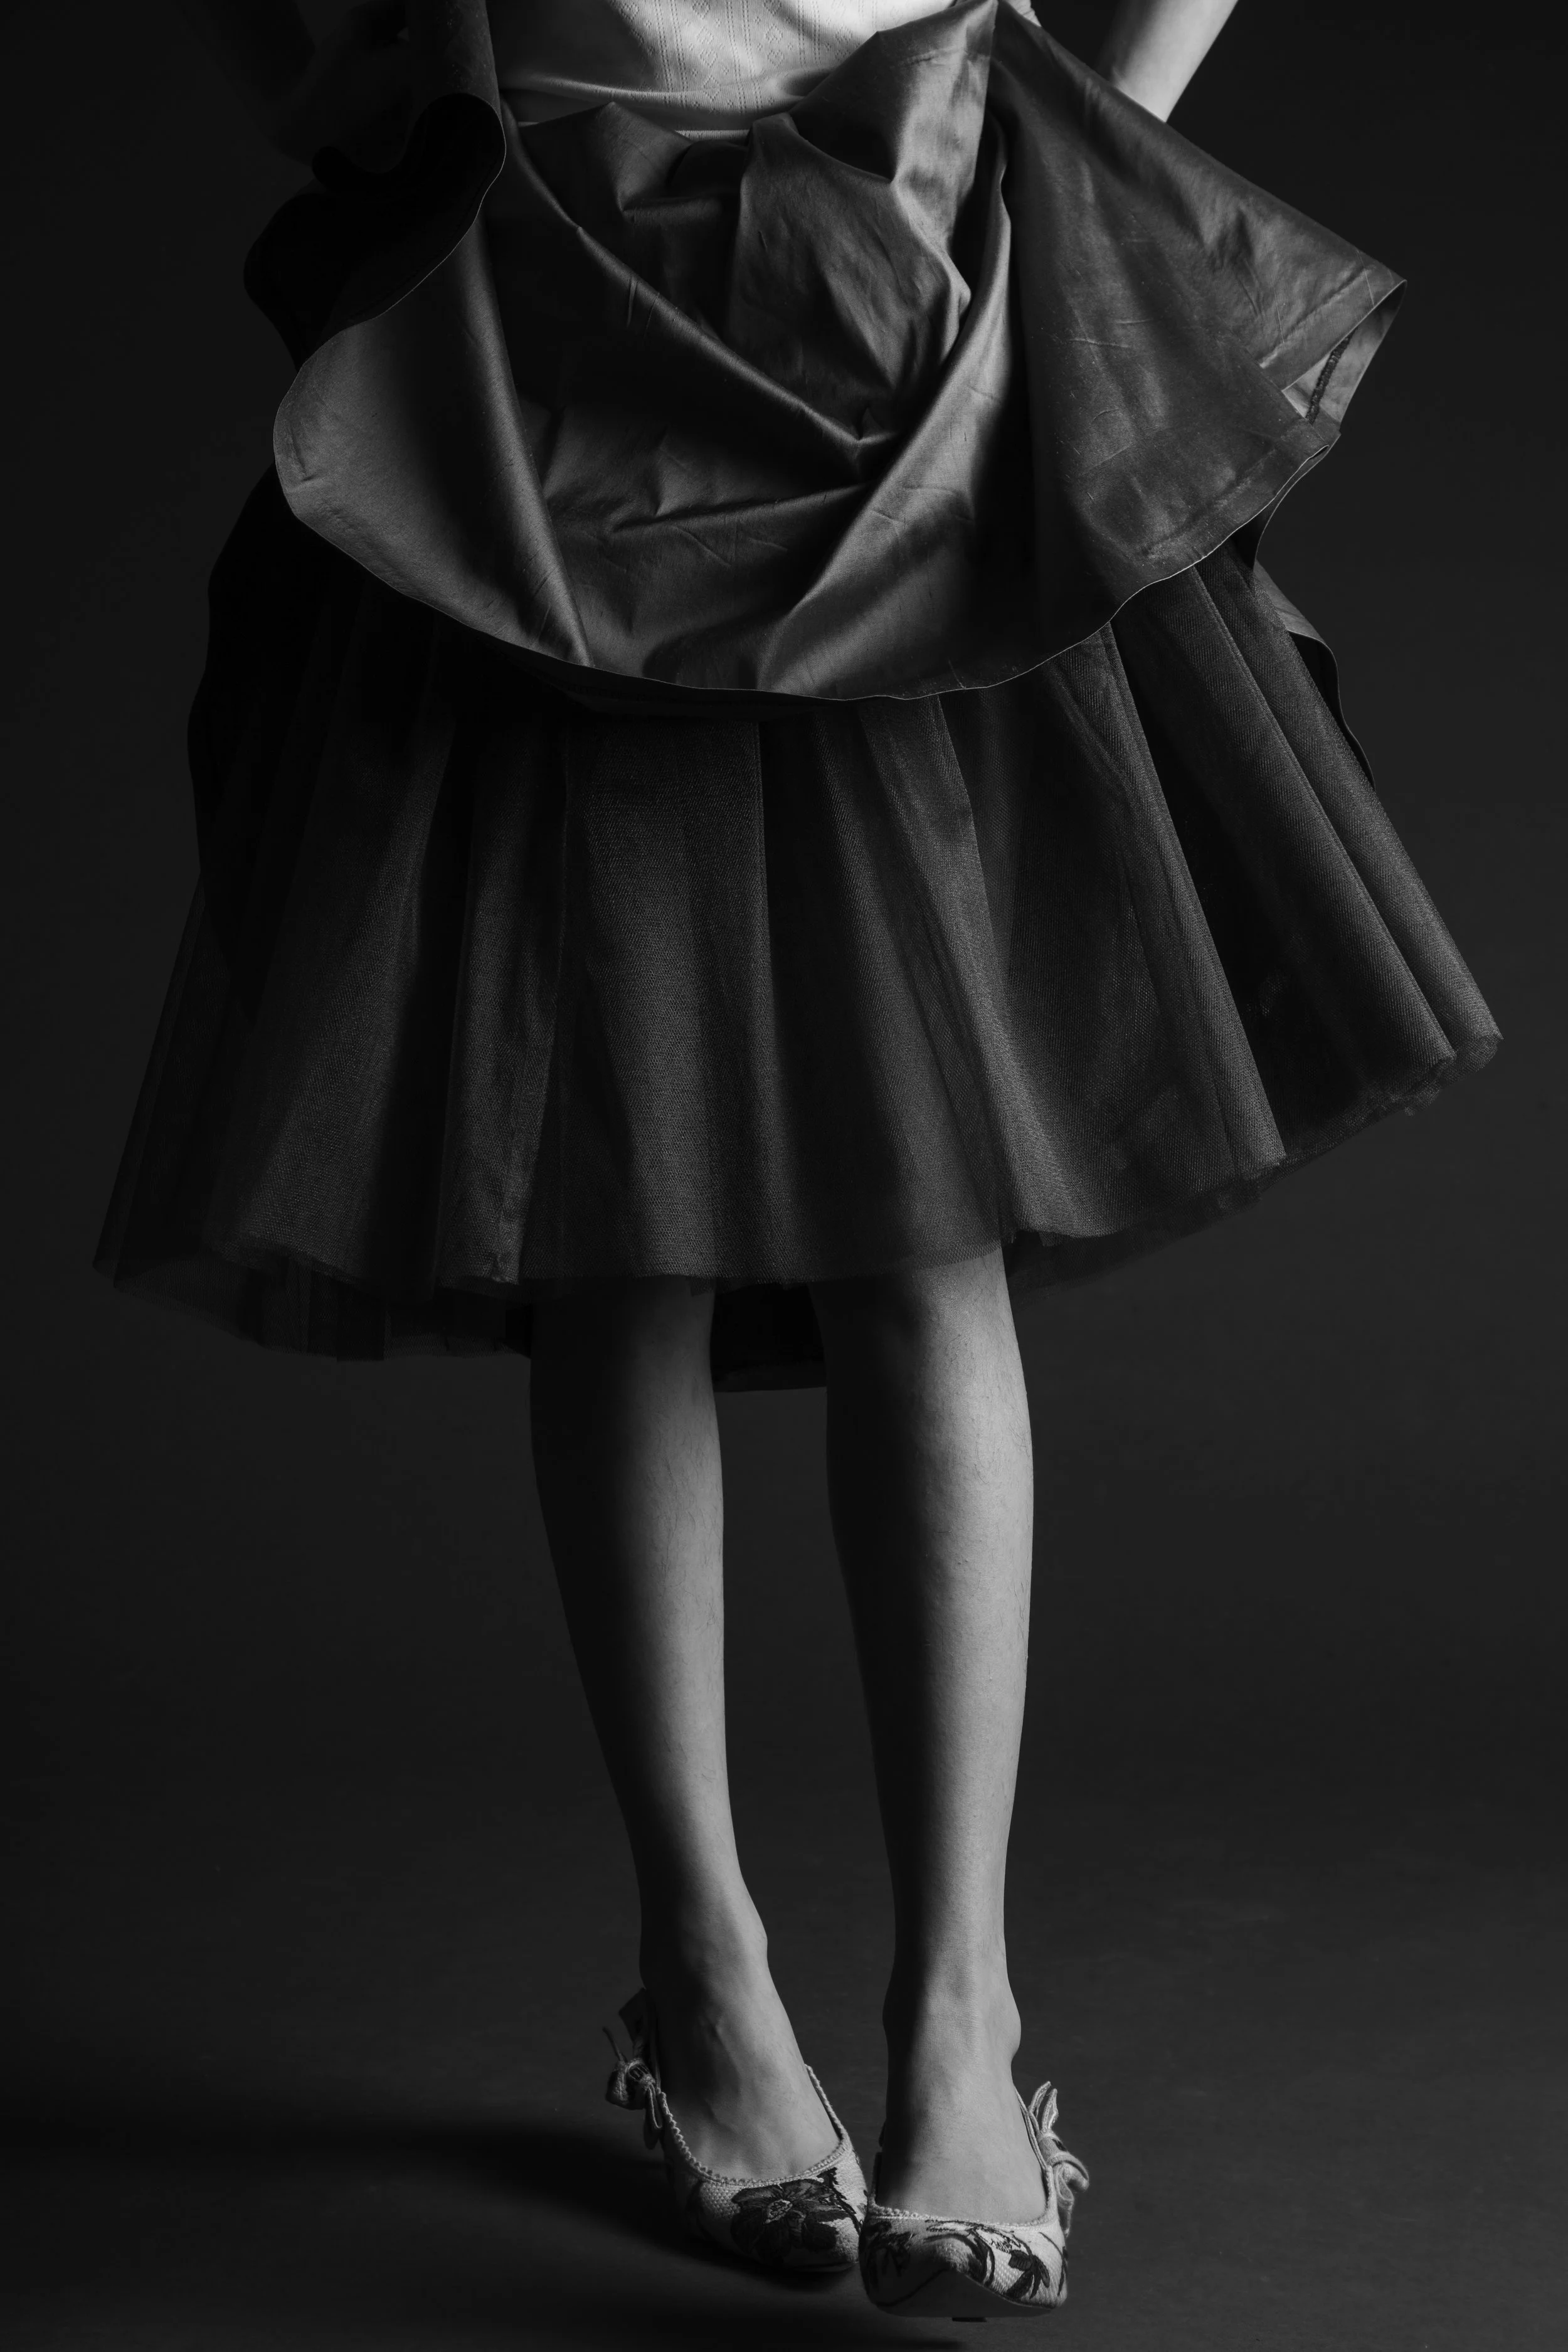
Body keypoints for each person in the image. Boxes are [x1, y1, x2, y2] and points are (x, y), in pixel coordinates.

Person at [100, 0, 1498, 2319]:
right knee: (611, 1220)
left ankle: (966, 2015)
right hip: (557, 319)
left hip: (910, 319)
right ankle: (705, 1971)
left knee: (914, 1219)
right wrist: (441, 108)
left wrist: (1047, 142)